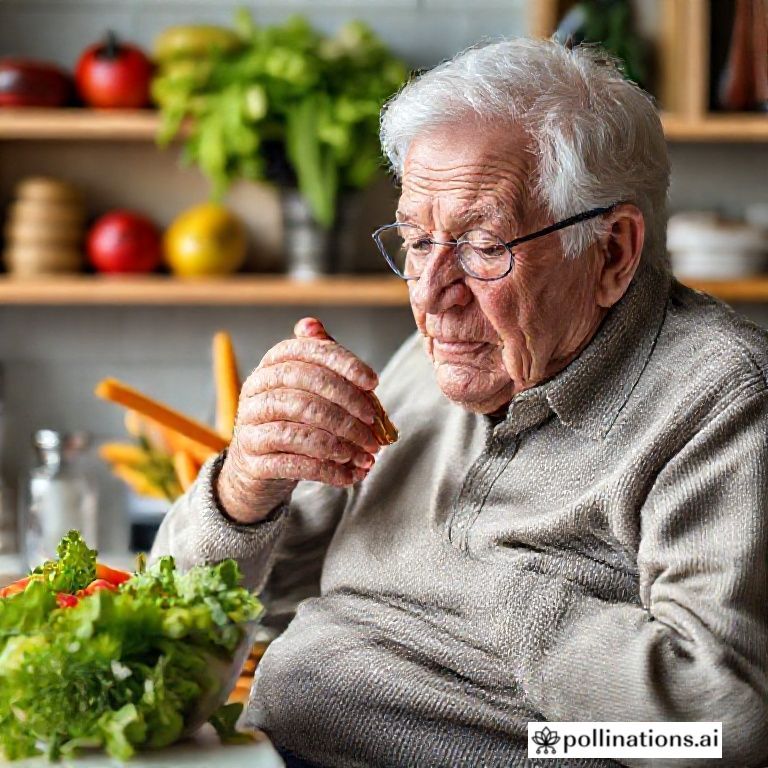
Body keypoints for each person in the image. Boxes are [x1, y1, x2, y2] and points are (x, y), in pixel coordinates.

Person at [150, 39, 768, 767]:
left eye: (482, 245)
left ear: (611, 253)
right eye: (415, 241)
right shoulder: (439, 359)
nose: (430, 295)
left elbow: (719, 730)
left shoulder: (722, 400)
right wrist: (247, 491)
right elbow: (229, 623)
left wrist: (503, 623)